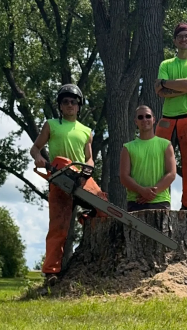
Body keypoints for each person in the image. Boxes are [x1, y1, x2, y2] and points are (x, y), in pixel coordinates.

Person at [30, 84, 108, 285]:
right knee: (58, 227)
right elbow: (35, 148)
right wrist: (39, 158)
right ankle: (51, 272)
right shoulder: (52, 125)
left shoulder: (85, 131)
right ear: (60, 105)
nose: (70, 105)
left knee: (103, 205)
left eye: (74, 102)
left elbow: (89, 158)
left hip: (80, 176)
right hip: (59, 178)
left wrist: (88, 169)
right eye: (66, 102)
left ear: (79, 106)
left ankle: (86, 219)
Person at [154, 22, 187, 210]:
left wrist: (167, 83)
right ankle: (159, 202)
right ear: (175, 41)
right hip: (167, 118)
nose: (184, 39)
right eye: (180, 36)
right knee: (158, 161)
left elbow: (186, 85)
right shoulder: (166, 64)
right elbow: (160, 91)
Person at [120, 105, 176, 212]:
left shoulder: (166, 145)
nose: (144, 119)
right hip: (135, 202)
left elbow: (171, 173)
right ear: (136, 121)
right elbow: (124, 177)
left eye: (148, 116)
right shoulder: (127, 148)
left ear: (154, 119)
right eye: (140, 117)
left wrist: (151, 193)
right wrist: (142, 191)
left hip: (161, 202)